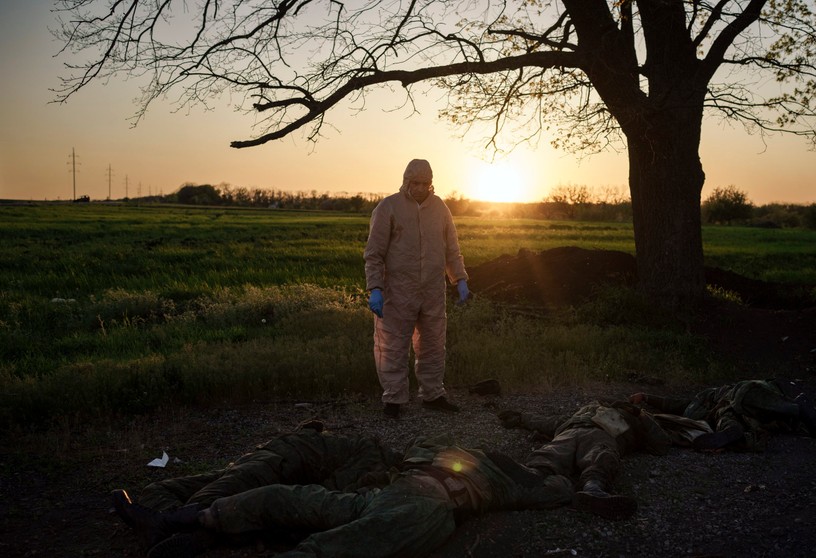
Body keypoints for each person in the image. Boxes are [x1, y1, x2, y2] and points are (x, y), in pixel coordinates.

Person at [114, 434, 574, 558]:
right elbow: (553, 487)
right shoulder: (481, 463)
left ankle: (196, 523)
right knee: (284, 498)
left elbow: (552, 490)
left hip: (422, 505)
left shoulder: (502, 477)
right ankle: (185, 520)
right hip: (393, 496)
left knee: (339, 541)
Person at [111, 422, 402, 552]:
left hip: (275, 469)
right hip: (279, 462)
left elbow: (319, 499)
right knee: (169, 491)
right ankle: (180, 527)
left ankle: (173, 526)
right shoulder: (373, 459)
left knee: (206, 497)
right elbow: (320, 498)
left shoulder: (378, 469)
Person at [363, 158, 470, 418]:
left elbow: (451, 249)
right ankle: (394, 399)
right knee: (393, 345)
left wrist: (460, 279)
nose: (421, 188)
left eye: (426, 183)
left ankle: (433, 395)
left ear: (431, 183)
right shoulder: (388, 207)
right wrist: (375, 287)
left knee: (433, 344)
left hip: (432, 290)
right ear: (406, 181)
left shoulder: (440, 208)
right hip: (398, 289)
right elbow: (374, 253)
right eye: (416, 183)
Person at [497, 399, 675, 520]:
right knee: (551, 452)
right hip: (570, 431)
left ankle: (593, 489)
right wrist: (522, 418)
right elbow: (550, 422)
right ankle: (534, 476)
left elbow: (662, 444)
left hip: (602, 434)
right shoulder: (579, 415)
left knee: (601, 455)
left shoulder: (632, 418)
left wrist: (640, 414)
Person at [629, 379, 816, 452]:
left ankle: (798, 409)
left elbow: (672, 402)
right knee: (727, 419)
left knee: (753, 401)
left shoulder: (711, 393)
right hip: (726, 411)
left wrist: (647, 396)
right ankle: (731, 433)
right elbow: (673, 405)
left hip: (737, 394)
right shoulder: (702, 410)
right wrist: (645, 398)